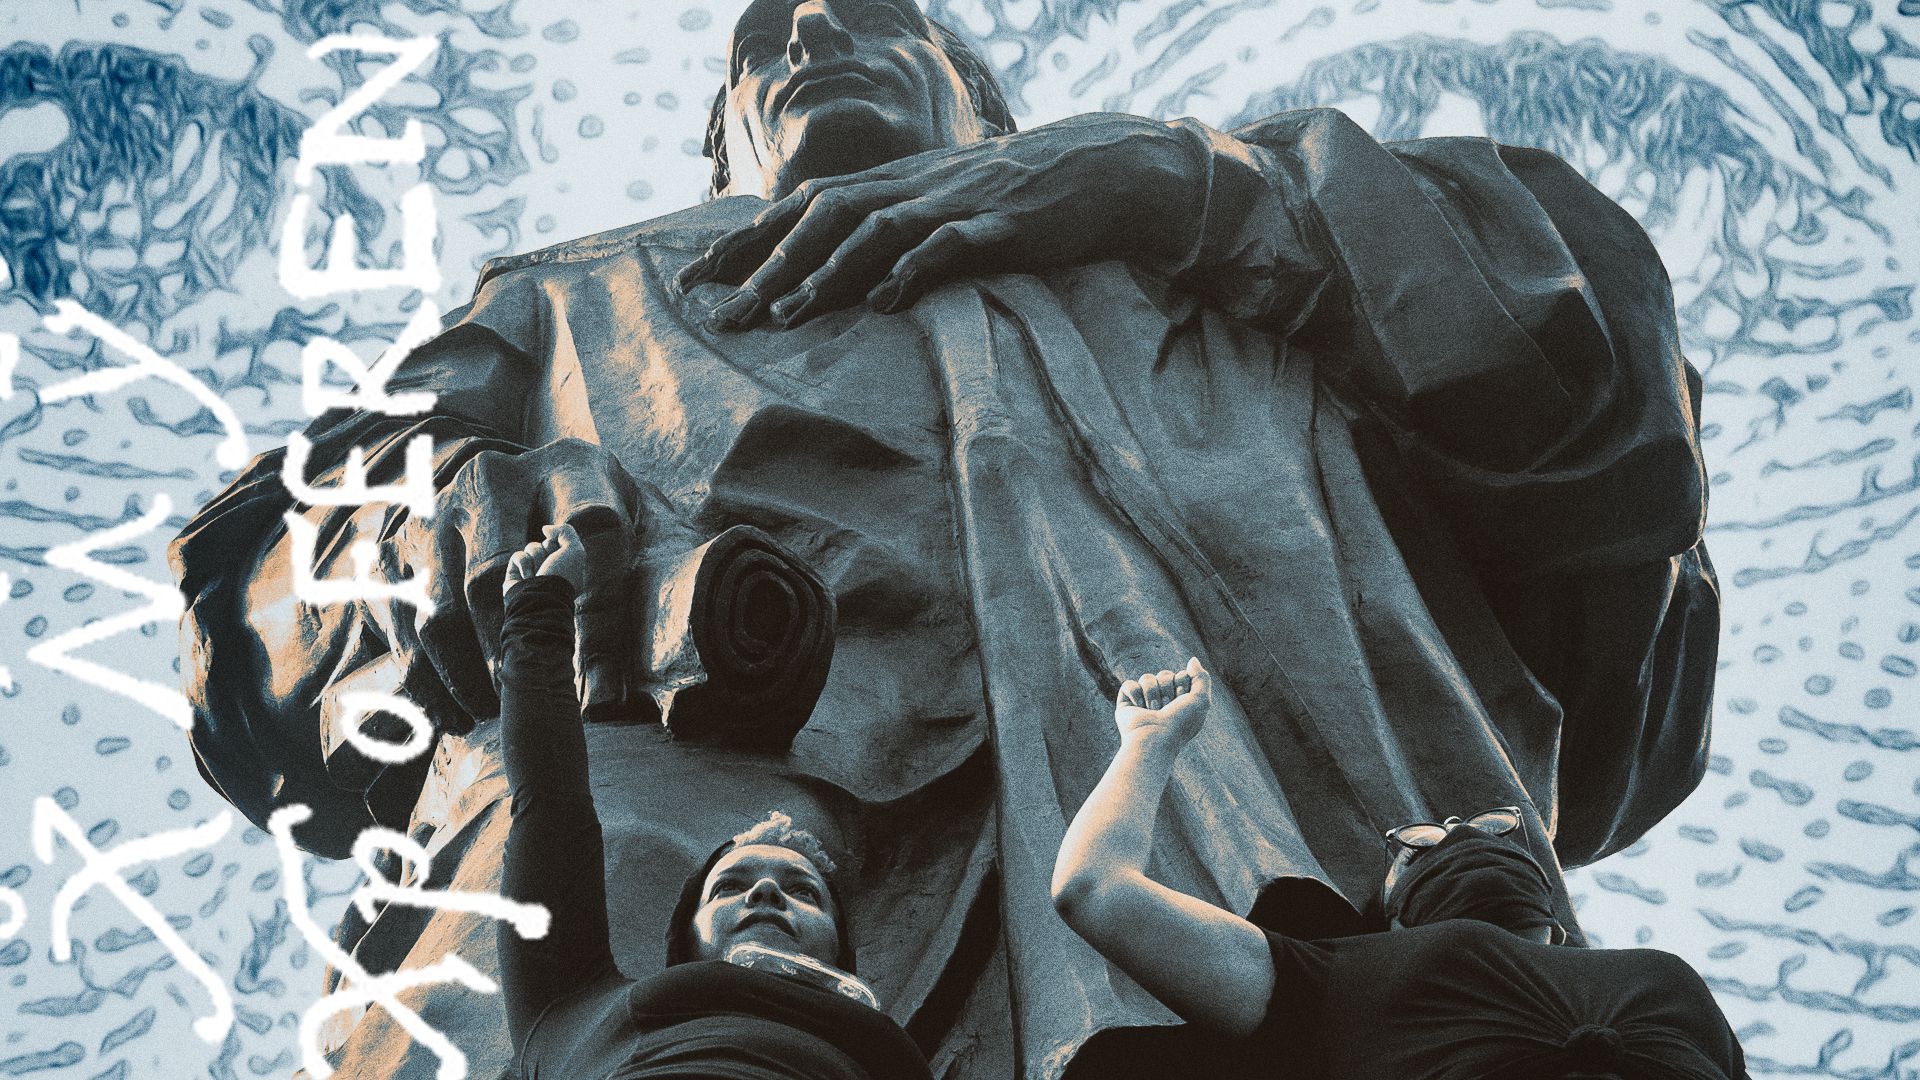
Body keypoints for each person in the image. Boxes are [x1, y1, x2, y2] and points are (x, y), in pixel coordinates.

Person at [172, 0, 1718, 1073]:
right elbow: (263, 605)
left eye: (866, 17)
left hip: (1257, 868)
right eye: (761, 47)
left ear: (987, 105)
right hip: (667, 842)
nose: (807, 39)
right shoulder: (574, 293)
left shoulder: (1201, 236)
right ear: (725, 149)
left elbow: (1601, 432)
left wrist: (1184, 185)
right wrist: (447, 525)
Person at [1053, 659, 1750, 1080]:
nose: (1454, 830)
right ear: (1392, 923)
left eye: (1493, 826)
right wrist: (1148, 741)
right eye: (1415, 842)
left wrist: (1149, 748)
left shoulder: (1671, 983)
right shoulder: (1356, 980)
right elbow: (1094, 893)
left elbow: (1098, 891)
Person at [496, 523, 930, 1079]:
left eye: (805, 893)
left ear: (839, 947)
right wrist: (540, 603)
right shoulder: (577, 1012)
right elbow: (549, 807)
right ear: (684, 939)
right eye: (728, 886)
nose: (767, 891)